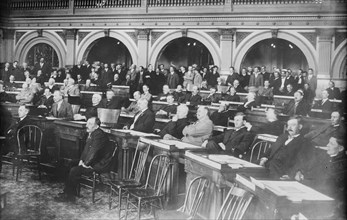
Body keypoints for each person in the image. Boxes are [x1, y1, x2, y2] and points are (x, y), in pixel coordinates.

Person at [54, 117, 113, 202]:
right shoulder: (93, 133)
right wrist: (81, 160)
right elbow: (86, 151)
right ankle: (69, 191)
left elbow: (93, 152)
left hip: (100, 164)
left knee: (75, 170)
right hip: (93, 160)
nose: (86, 125)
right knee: (71, 163)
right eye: (87, 123)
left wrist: (85, 164)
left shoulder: (99, 135)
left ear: (96, 126)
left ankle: (69, 196)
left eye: (90, 124)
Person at [294, 135, 346, 220]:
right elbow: (308, 167)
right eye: (328, 142)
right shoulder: (325, 155)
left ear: (340, 149)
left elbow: (325, 184)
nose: (327, 145)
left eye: (331, 144)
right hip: (313, 192)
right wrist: (300, 171)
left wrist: (303, 180)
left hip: (329, 202)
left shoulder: (342, 164)